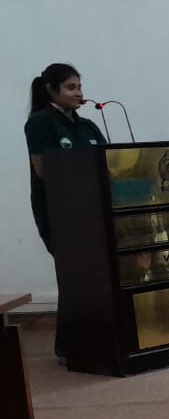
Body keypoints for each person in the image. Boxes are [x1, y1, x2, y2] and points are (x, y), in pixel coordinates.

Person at [25, 63, 107, 360]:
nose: (79, 93)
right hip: (61, 214)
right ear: (51, 89)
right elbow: (44, 169)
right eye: (71, 87)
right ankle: (71, 346)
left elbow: (108, 165)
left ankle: (99, 338)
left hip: (96, 214)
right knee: (75, 277)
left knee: (98, 276)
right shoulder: (40, 123)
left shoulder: (87, 126)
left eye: (80, 87)